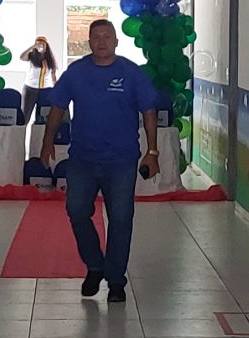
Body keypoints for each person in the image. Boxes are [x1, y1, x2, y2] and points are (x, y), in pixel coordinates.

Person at [40, 18, 160, 302]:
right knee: (76, 211)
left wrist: (152, 152)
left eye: (107, 36)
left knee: (120, 218)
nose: (102, 41)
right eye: (96, 37)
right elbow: (57, 107)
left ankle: (116, 280)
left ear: (116, 41)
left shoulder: (131, 73)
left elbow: (149, 110)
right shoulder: (76, 72)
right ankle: (95, 265)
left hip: (121, 160)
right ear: (89, 42)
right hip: (83, 159)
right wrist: (46, 142)